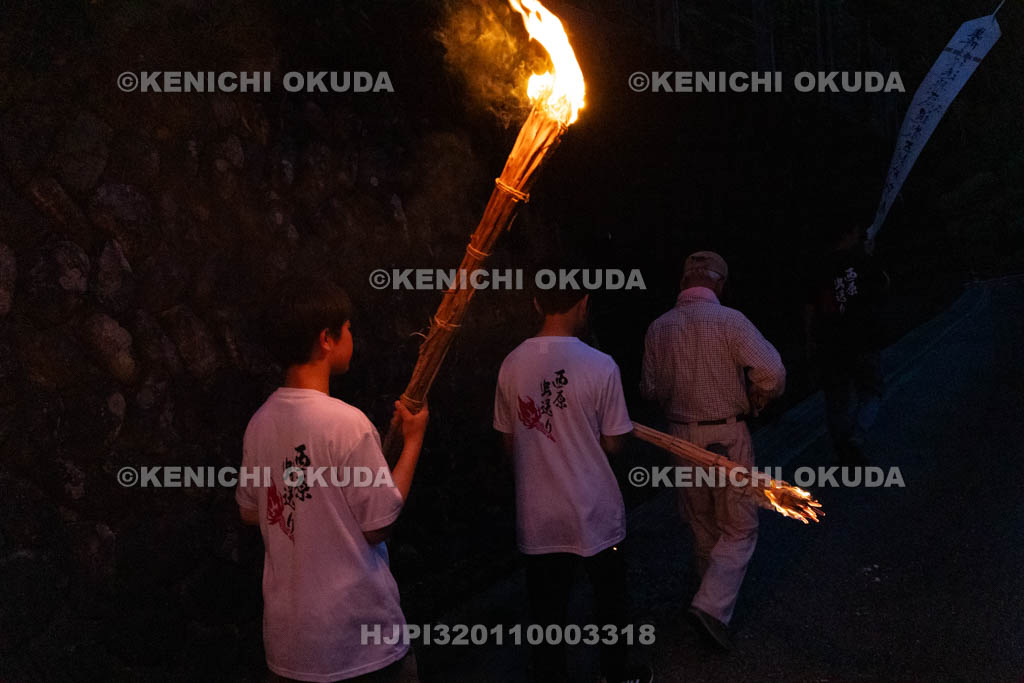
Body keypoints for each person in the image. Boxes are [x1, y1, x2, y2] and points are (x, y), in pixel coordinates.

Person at [236, 276, 427, 683]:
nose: (351, 337)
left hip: (291, 646)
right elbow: (380, 525)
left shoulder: (260, 424)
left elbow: (251, 512)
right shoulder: (346, 423)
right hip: (359, 644)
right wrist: (413, 442)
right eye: (348, 329)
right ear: (327, 339)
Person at [493, 278, 652, 683]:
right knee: (609, 603)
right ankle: (616, 676)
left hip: (539, 513)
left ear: (535, 302)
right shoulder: (601, 365)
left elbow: (509, 446)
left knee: (548, 614)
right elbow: (615, 443)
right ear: (583, 303)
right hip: (595, 510)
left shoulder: (511, 364)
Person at [641, 251, 785, 650]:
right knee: (740, 527)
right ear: (718, 284)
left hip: (679, 439)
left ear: (684, 281)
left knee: (702, 523)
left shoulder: (658, 328)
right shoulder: (731, 321)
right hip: (727, 435)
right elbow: (772, 373)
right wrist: (758, 395)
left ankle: (708, 609)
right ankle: (709, 607)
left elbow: (649, 389)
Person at [804, 222, 890, 466]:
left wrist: (810, 342)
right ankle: (856, 436)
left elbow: (809, 308)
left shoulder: (818, 267)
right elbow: (882, 288)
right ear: (850, 233)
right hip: (863, 340)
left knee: (837, 399)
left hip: (830, 344)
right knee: (872, 390)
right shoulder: (862, 260)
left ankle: (843, 447)